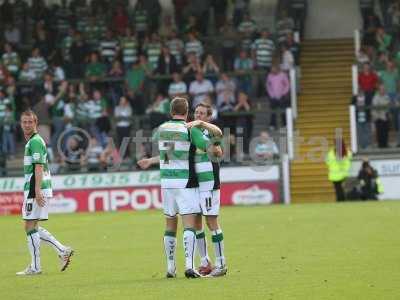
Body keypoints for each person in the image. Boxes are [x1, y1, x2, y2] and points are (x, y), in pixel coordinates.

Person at [137, 97, 212, 278]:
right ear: (187, 113)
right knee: (189, 225)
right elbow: (206, 146)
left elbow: (166, 153)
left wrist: (150, 160)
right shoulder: (190, 129)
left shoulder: (161, 129)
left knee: (170, 225)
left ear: (171, 111)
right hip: (185, 181)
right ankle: (189, 265)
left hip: (167, 182)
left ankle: (170, 267)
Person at [17, 110, 74, 276]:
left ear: (35, 123)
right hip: (37, 187)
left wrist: (36, 190)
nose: (27, 125)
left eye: (30, 122)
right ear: (21, 124)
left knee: (29, 225)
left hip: (36, 188)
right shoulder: (35, 141)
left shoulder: (35, 141)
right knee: (31, 226)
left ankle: (35, 267)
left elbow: (39, 166)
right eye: (24, 122)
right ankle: (62, 250)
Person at [188, 103, 227, 277]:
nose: (198, 115)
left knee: (212, 222)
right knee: (197, 221)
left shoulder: (209, 131)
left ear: (208, 117)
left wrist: (202, 126)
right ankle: (205, 261)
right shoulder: (192, 131)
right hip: (196, 183)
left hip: (209, 183)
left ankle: (221, 264)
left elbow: (218, 151)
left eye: (202, 113)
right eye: (196, 112)